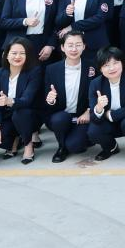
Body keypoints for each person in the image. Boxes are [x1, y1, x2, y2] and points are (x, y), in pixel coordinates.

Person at [0, 37, 42, 164]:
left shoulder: (34, 72)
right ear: (6, 55)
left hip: (28, 115)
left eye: (22, 53)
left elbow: (27, 100)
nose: (18, 56)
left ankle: (28, 144)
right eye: (14, 53)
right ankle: (14, 139)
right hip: (6, 116)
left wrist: (9, 101)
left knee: (20, 113)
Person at [87, 46, 125, 160]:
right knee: (93, 131)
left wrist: (113, 115)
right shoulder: (96, 84)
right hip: (108, 123)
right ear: (100, 69)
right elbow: (94, 117)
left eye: (115, 63)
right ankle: (110, 147)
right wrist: (99, 108)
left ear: (122, 63)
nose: (112, 68)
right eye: (106, 65)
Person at [43, 31, 94, 162]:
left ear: (84, 46)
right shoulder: (52, 69)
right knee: (59, 119)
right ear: (62, 47)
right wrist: (50, 100)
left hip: (82, 116)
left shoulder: (92, 67)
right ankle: (61, 147)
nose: (74, 49)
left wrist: (89, 111)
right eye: (70, 45)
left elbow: (99, 93)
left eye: (78, 45)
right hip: (62, 115)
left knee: (75, 146)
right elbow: (47, 101)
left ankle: (80, 139)